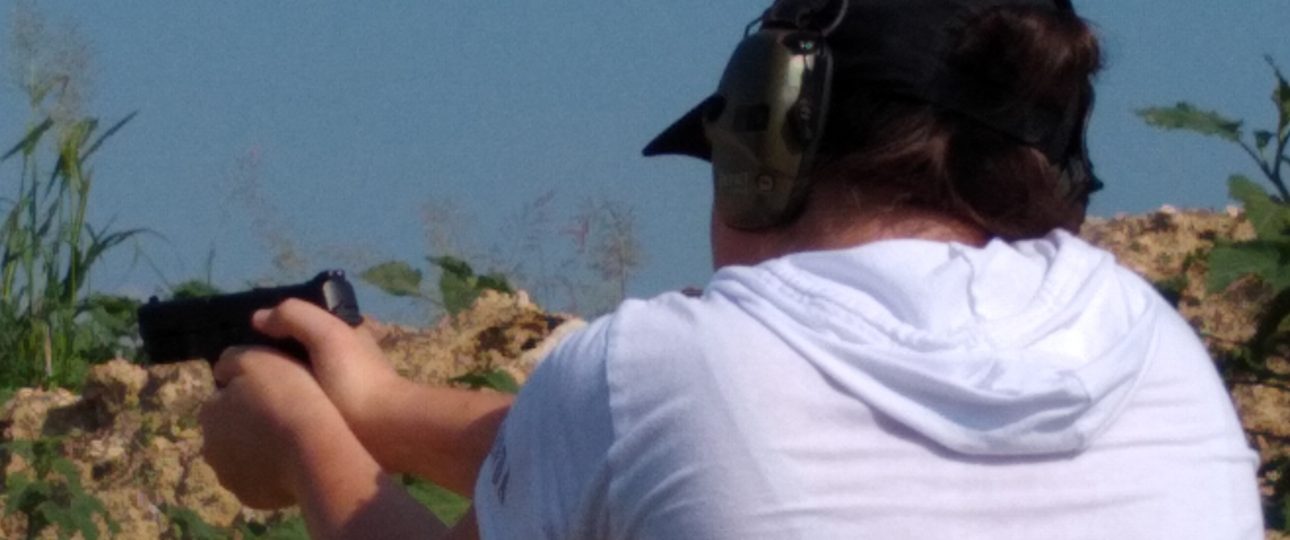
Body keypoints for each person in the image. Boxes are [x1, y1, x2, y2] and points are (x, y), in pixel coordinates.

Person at [199, 0, 1265, 538]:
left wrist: (300, 436)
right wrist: (371, 400)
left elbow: (648, 434)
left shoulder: (660, 370)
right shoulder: (1155, 347)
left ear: (772, 141)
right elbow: (661, 459)